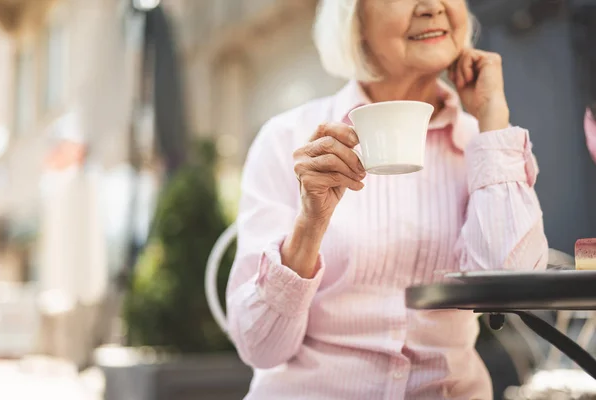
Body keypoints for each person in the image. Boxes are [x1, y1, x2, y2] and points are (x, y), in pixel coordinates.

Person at [226, 0, 549, 398]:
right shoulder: (286, 140)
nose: (432, 7)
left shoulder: (485, 144)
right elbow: (261, 347)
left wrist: (492, 118)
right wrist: (310, 224)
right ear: (355, 23)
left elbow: (511, 291)